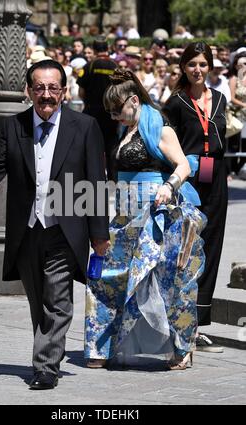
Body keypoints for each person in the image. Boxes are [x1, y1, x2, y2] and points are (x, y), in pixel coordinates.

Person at [0, 60, 110, 390]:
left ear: (64, 91)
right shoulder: (15, 125)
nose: (47, 95)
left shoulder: (84, 126)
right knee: (38, 298)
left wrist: (99, 233)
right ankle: (49, 352)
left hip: (65, 226)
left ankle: (45, 366)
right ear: (28, 91)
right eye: (40, 88)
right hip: (27, 228)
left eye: (53, 88)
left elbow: (95, 180)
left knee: (57, 299)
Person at [85, 68, 207, 370]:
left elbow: (183, 166)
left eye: (118, 110)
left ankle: (183, 348)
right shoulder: (124, 132)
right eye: (111, 113)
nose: (115, 117)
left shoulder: (160, 128)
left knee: (169, 281)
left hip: (158, 214)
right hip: (125, 215)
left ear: (134, 101)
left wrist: (168, 187)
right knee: (107, 276)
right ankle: (101, 346)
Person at [163, 42, 228, 353]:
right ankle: (179, 319)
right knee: (187, 247)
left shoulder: (221, 99)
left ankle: (199, 323)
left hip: (215, 177)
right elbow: (166, 143)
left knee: (212, 245)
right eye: (192, 65)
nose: (198, 70)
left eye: (203, 64)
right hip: (188, 178)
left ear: (210, 66)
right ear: (183, 68)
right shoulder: (175, 102)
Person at [77, 37, 118, 180]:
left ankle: (95, 179)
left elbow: (81, 92)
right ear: (108, 48)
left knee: (93, 147)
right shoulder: (116, 66)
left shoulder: (89, 66)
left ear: (94, 50)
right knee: (111, 147)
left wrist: (89, 102)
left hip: (91, 113)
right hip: (112, 115)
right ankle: (113, 180)